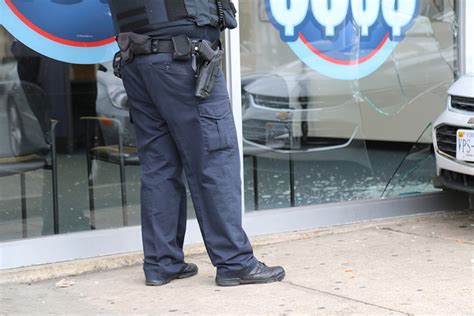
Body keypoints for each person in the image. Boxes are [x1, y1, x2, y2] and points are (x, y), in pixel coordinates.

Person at [107, 0, 285, 286]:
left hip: (138, 59)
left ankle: (161, 263)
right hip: (181, 60)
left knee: (159, 166)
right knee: (215, 159)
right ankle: (234, 262)